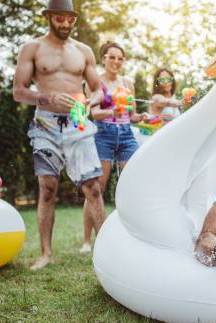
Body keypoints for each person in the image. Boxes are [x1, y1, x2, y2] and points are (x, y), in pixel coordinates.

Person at [12, 0, 105, 270]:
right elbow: (18, 91)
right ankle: (46, 254)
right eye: (60, 18)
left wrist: (89, 101)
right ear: (50, 17)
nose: (65, 24)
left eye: (70, 19)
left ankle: (106, 252)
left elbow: (99, 89)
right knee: (48, 188)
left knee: (94, 188)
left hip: (77, 122)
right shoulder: (32, 48)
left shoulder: (84, 51)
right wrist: (46, 97)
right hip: (46, 124)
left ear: (74, 19)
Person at [80, 41, 148, 253]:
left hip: (126, 135)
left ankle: (131, 234)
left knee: (130, 183)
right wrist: (113, 113)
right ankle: (86, 241)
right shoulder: (95, 82)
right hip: (103, 135)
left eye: (120, 58)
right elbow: (94, 112)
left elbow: (132, 114)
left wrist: (141, 117)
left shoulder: (127, 82)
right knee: (96, 189)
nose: (116, 62)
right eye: (112, 57)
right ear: (103, 59)